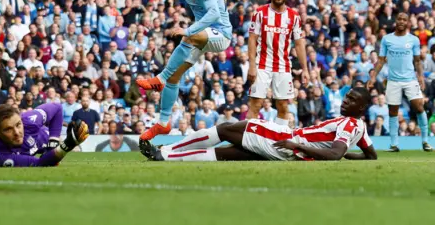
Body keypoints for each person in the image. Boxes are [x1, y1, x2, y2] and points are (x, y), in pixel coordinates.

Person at [136, 0, 233, 139]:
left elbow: (214, 15)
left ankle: (160, 78)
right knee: (174, 78)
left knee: (188, 38)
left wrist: (187, 30)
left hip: (221, 34)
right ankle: (163, 124)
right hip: (204, 33)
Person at [140, 88, 377, 162]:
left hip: (287, 140)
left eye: (352, 100)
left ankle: (163, 152)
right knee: (229, 154)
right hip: (291, 148)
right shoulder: (361, 129)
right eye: (347, 97)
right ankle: (167, 157)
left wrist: (299, 146)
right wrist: (351, 156)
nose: (346, 101)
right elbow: (371, 156)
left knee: (225, 129)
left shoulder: (349, 123)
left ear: (362, 108)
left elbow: (335, 153)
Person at [246, 0, 309, 126]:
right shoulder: (260, 13)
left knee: (283, 105)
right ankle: (248, 141)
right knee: (256, 103)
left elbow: (299, 43)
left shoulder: (294, 16)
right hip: (261, 64)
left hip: (283, 66)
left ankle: (279, 139)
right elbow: (252, 39)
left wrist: (305, 69)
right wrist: (252, 66)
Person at [368, 12, 432, 152]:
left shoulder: (413, 40)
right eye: (399, 19)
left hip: (410, 80)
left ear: (408, 22)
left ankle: (425, 141)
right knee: (392, 112)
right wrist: (373, 77)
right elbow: (380, 60)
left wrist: (420, 77)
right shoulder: (387, 39)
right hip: (393, 81)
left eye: (404, 19)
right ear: (396, 21)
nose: (402, 21)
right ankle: (394, 144)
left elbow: (417, 60)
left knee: (419, 107)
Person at [0, 103, 89, 167]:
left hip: (42, 138)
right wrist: (67, 145)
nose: (17, 132)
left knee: (76, 150)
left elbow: (57, 108)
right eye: (8, 129)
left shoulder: (30, 120)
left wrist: (53, 142)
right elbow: (41, 164)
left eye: (18, 124)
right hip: (17, 151)